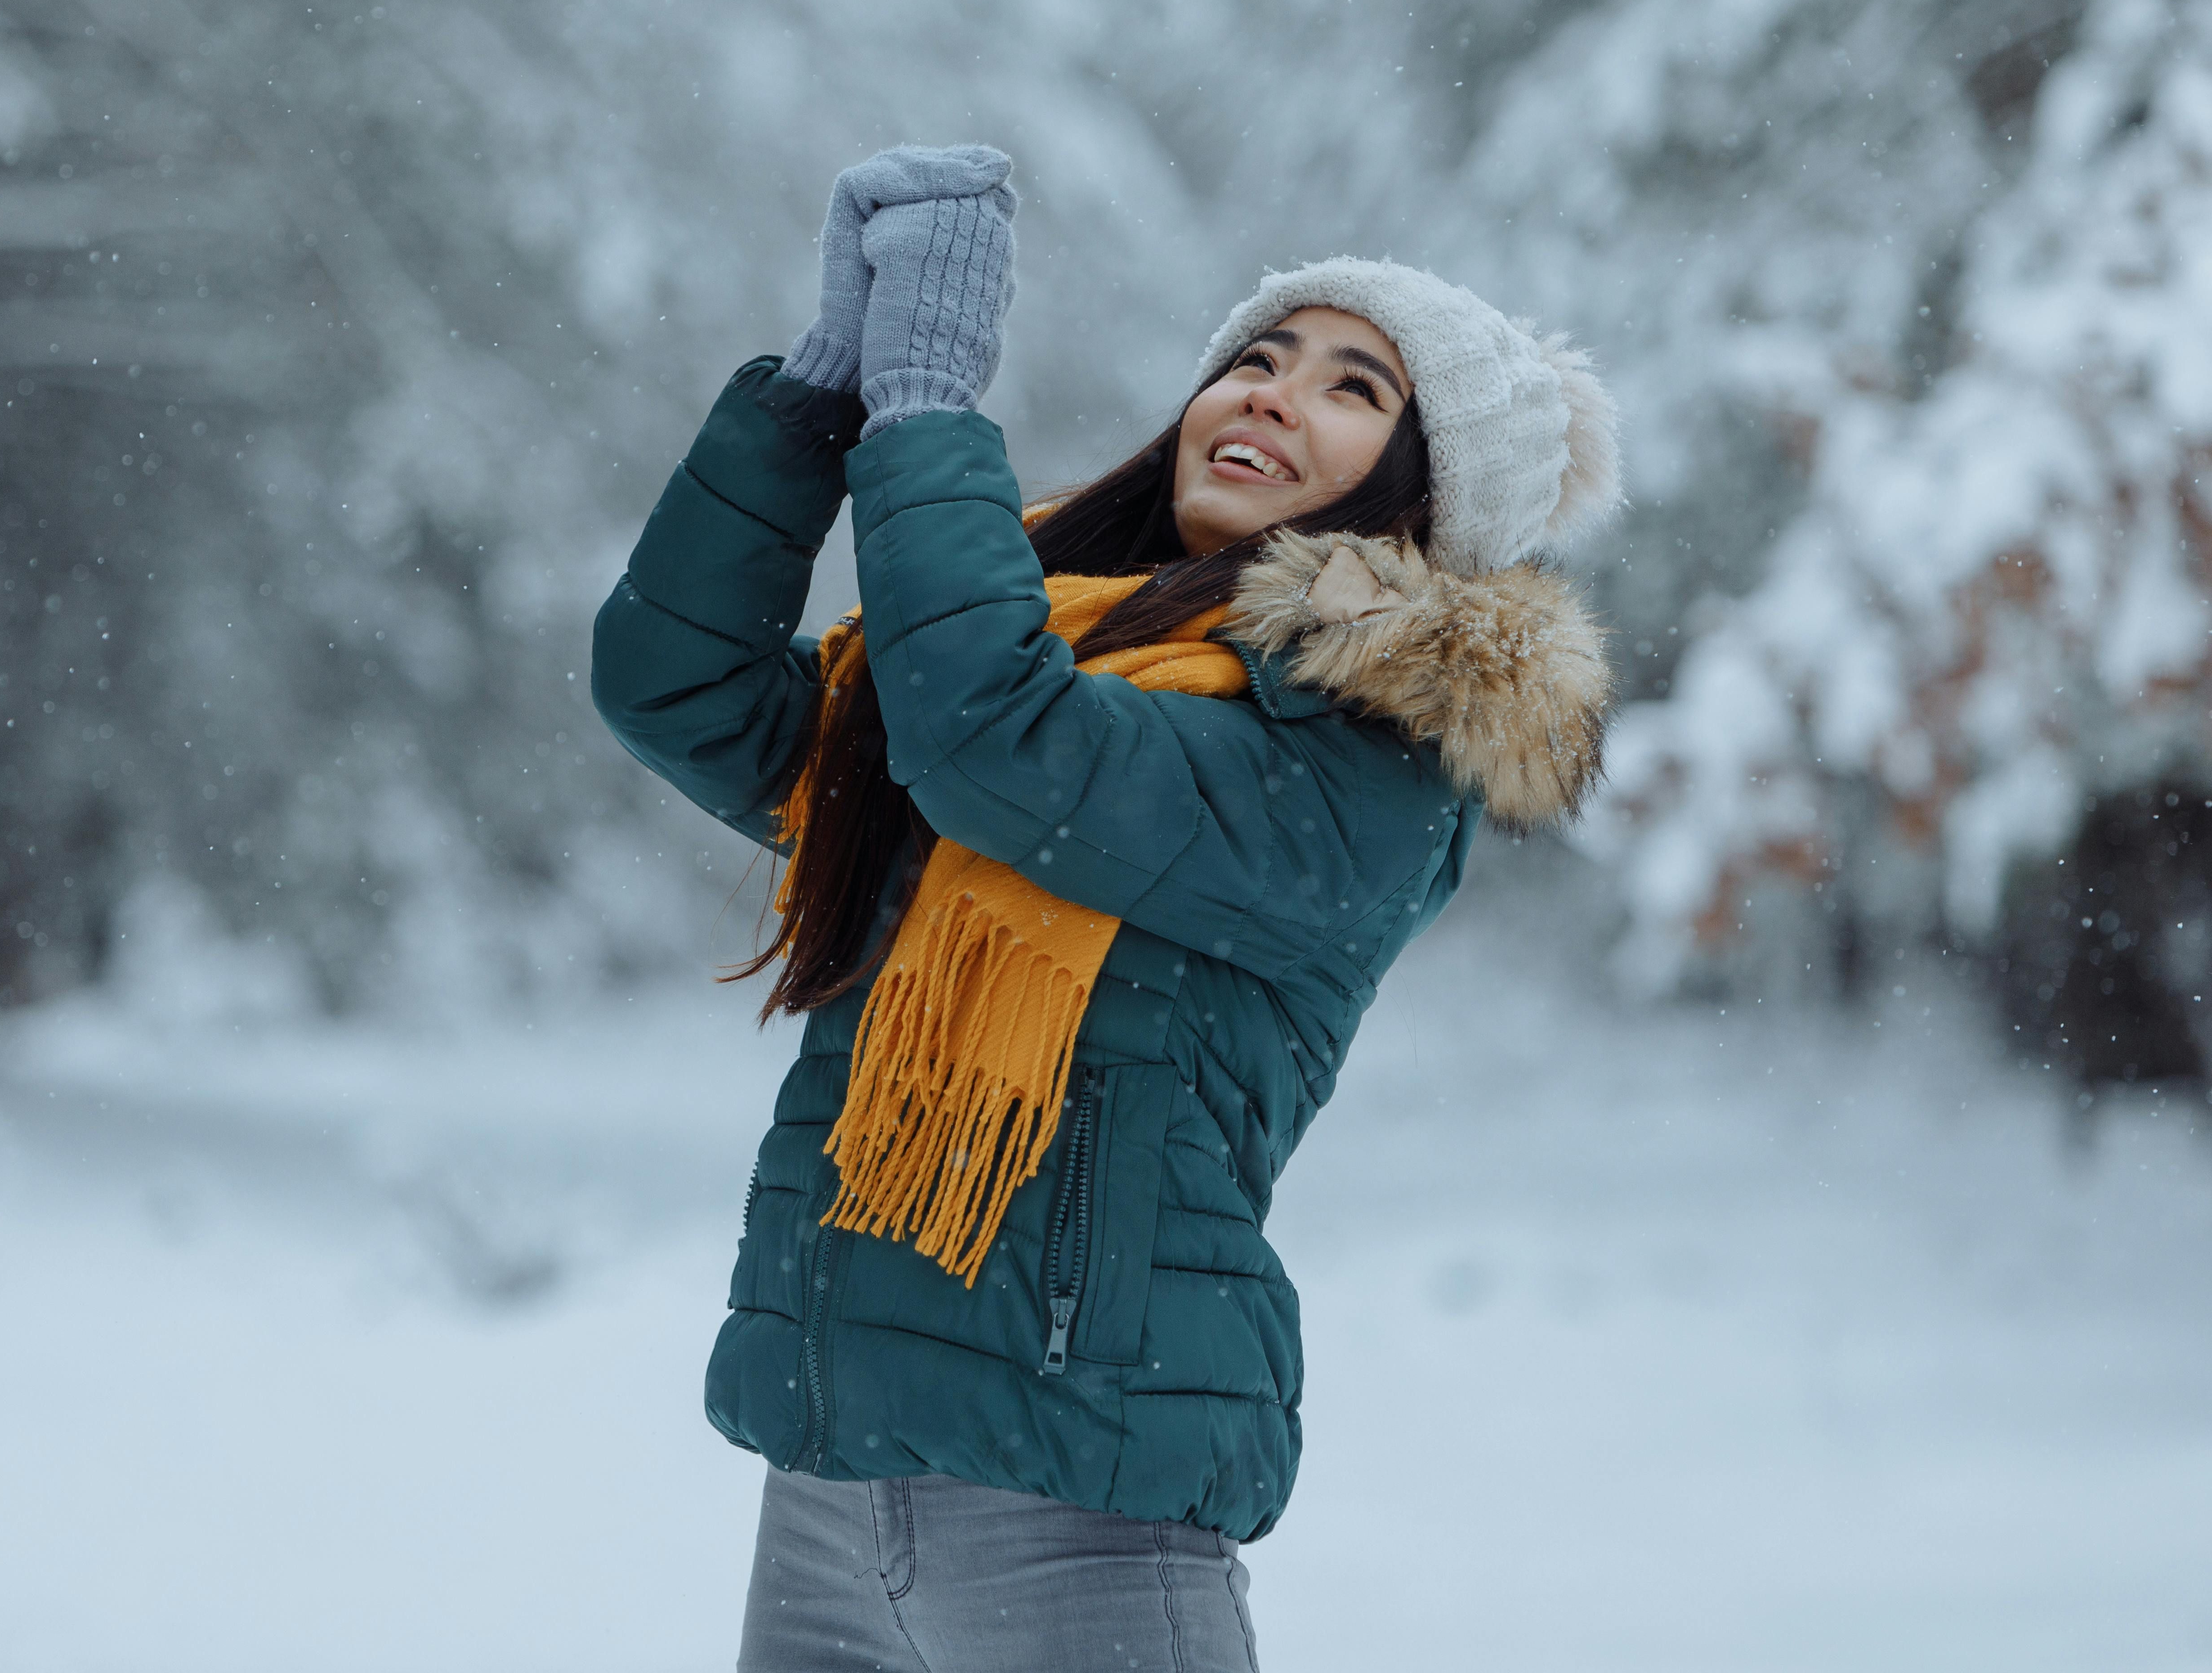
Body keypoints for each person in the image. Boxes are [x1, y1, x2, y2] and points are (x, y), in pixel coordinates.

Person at [591, 144, 1621, 1671]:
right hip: (826, 1495)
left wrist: (931, 410)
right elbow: (681, 692)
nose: (1271, 392)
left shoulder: (1367, 762)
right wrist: (824, 397)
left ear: (1429, 503)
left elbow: (1001, 746)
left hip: (1082, 1507)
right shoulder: (1026, 644)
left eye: (1354, 388)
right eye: (1256, 359)